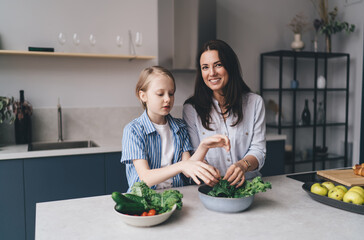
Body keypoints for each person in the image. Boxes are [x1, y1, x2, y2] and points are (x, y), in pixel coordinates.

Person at [121, 66, 230, 192]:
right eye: (160, 94)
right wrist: (181, 166)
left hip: (175, 196)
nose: (167, 99)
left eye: (171, 94)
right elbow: (145, 178)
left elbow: (188, 169)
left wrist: (204, 146)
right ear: (143, 96)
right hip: (145, 201)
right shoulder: (133, 131)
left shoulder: (180, 127)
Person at [183, 39, 266, 187]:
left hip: (249, 185)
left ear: (230, 66)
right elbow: (195, 153)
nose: (212, 73)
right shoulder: (191, 109)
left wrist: (242, 165)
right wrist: (208, 171)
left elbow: (258, 149)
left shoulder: (255, 102)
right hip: (210, 188)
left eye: (218, 65)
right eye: (205, 67)